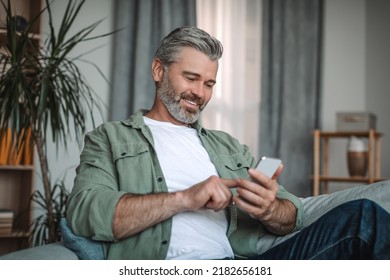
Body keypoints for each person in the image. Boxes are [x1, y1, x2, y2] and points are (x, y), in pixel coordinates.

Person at [66, 26, 390, 260]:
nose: (200, 93)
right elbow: (85, 212)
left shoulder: (227, 146)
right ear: (158, 70)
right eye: (191, 78)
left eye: (209, 84)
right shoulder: (109, 138)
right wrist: (183, 198)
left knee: (364, 217)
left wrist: (269, 208)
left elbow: (294, 213)